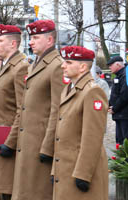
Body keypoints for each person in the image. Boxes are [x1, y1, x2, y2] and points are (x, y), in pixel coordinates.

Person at [11, 20, 64, 200]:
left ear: (50, 40)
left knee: (38, 193)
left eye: (35, 37)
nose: (31, 42)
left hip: (40, 142)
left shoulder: (56, 65)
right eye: (31, 38)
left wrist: (48, 147)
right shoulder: (35, 64)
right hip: (28, 141)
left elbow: (58, 110)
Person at [52, 46, 108, 200]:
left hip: (81, 171)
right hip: (66, 168)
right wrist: (54, 170)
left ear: (83, 67)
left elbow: (93, 138)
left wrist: (83, 174)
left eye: (68, 62)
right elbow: (61, 134)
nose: (63, 65)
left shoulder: (92, 92)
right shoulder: (69, 89)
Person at [0, 24, 28, 200]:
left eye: (0, 41)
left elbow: (22, 108)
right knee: (1, 191)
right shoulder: (4, 66)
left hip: (9, 140)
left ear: (13, 44)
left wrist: (10, 142)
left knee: (10, 191)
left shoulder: (20, 68)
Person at [108, 56, 128, 145]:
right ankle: (120, 158)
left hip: (125, 115)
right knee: (120, 140)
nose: (109, 67)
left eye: (110, 65)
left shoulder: (125, 75)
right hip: (120, 114)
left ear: (117, 64)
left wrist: (114, 108)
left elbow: (125, 95)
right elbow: (115, 94)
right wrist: (109, 106)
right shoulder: (119, 75)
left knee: (125, 141)